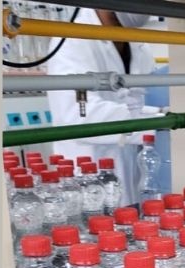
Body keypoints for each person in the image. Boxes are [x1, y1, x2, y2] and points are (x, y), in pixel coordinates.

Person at [45, 10, 160, 206]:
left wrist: (156, 118)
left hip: (134, 182)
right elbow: (78, 115)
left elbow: (150, 100)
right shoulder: (71, 38)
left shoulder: (140, 45)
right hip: (90, 183)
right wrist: (157, 122)